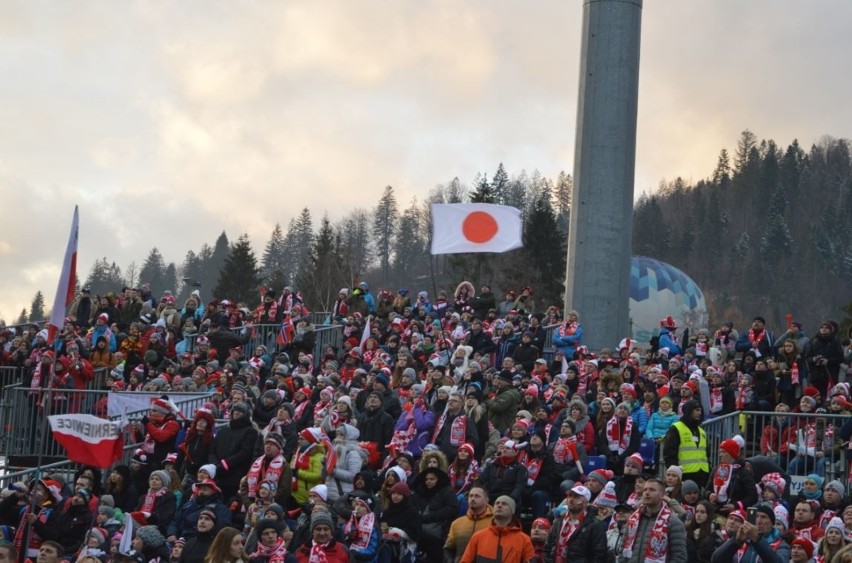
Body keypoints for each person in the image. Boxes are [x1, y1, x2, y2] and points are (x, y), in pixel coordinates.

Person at [619, 477, 687, 563]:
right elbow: (623, 549)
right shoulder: (633, 519)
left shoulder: (673, 522)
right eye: (645, 490)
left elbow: (679, 556)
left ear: (662, 495)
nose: (647, 493)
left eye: (652, 490)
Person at [543, 484, 607, 563]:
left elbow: (599, 554)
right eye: (570, 496)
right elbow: (548, 547)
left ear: (586, 502)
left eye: (576, 497)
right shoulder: (558, 521)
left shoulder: (595, 525)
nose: (571, 499)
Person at [459, 495, 534, 563]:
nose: (499, 505)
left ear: (512, 511)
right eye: (497, 503)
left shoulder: (524, 540)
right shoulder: (478, 536)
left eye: (504, 504)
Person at [210, 401, 260, 501]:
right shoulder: (223, 431)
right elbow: (212, 450)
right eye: (235, 410)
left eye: (240, 411)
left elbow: (245, 453)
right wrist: (215, 465)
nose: (236, 412)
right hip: (218, 475)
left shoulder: (250, 432)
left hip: (235, 478)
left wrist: (226, 464)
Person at [710, 504, 787, 563]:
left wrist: (757, 539)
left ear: (771, 524)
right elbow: (716, 559)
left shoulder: (781, 544)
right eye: (756, 516)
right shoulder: (743, 541)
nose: (759, 521)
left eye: (763, 517)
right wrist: (736, 541)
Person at [663, 400, 710, 488]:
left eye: (700, 410)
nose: (699, 413)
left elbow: (707, 455)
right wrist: (675, 474)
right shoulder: (676, 428)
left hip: (702, 475)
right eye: (696, 410)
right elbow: (669, 454)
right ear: (689, 410)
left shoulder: (702, 431)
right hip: (684, 475)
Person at [444, 486, 494, 563]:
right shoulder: (457, 523)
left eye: (477, 496)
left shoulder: (495, 522)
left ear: (487, 500)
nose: (472, 499)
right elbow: (448, 548)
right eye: (471, 496)